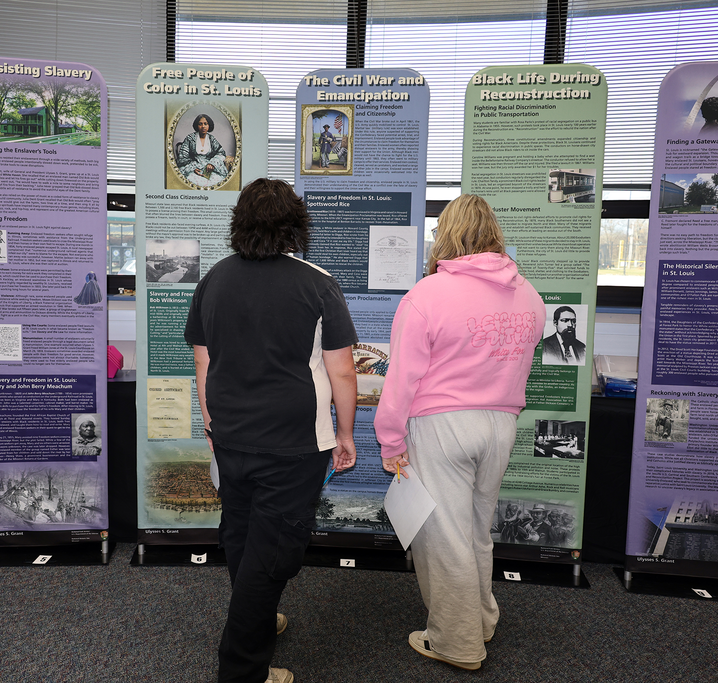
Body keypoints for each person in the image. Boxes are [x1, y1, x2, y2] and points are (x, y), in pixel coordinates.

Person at [184, 178, 358, 683]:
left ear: (239, 222)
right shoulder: (317, 283)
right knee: (272, 551)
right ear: (295, 227)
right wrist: (345, 435)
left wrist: (212, 425)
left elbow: (203, 364)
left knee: (241, 536)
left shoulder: (213, 279)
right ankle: (242, 672)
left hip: (232, 435)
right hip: (294, 443)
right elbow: (343, 372)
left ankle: (256, 616)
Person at [374, 194, 543, 671]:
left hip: (443, 426)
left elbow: (401, 378)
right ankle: (482, 617)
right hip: (501, 424)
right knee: (475, 530)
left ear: (445, 234)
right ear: (493, 232)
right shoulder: (528, 294)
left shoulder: (426, 295)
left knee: (443, 537)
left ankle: (457, 642)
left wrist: (391, 440)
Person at [176, 113, 231, 186]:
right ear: (196, 125)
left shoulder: (212, 139)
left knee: (218, 180)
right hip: (193, 168)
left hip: (209, 168)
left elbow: (221, 153)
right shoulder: (190, 138)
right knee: (194, 182)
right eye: (200, 124)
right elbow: (183, 157)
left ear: (209, 126)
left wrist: (212, 163)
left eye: (205, 124)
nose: (203, 126)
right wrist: (193, 168)